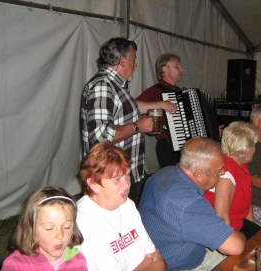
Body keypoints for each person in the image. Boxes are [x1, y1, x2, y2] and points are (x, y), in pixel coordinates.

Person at [80, 38, 176, 204]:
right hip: (110, 177)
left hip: (119, 174)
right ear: (121, 60)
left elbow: (129, 106)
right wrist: (138, 126)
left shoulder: (114, 85)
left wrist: (160, 105)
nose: (135, 65)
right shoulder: (103, 85)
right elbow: (101, 136)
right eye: (134, 59)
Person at [139, 137, 246, 271]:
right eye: (219, 170)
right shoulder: (189, 205)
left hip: (158, 252)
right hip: (183, 265)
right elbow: (236, 246)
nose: (223, 173)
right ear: (199, 174)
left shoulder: (163, 173)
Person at [76, 142, 167, 271]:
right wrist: (158, 267)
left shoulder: (126, 204)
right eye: (117, 179)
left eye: (127, 175)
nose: (127, 185)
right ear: (93, 184)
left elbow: (151, 253)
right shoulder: (85, 222)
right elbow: (155, 261)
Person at [1, 186, 87, 271]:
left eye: (66, 226)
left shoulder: (78, 260)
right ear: (31, 228)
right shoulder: (16, 264)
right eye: (49, 228)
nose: (60, 235)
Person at [204, 121, 261, 240]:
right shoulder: (226, 174)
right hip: (227, 230)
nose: (255, 149)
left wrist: (254, 230)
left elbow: (247, 202)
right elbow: (222, 217)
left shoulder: (242, 164)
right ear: (246, 151)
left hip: (239, 224)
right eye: (254, 145)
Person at [136, 53, 183, 167]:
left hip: (185, 146)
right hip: (168, 147)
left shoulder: (181, 92)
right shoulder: (154, 91)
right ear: (165, 69)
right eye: (176, 66)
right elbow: (134, 106)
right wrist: (161, 104)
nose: (181, 69)